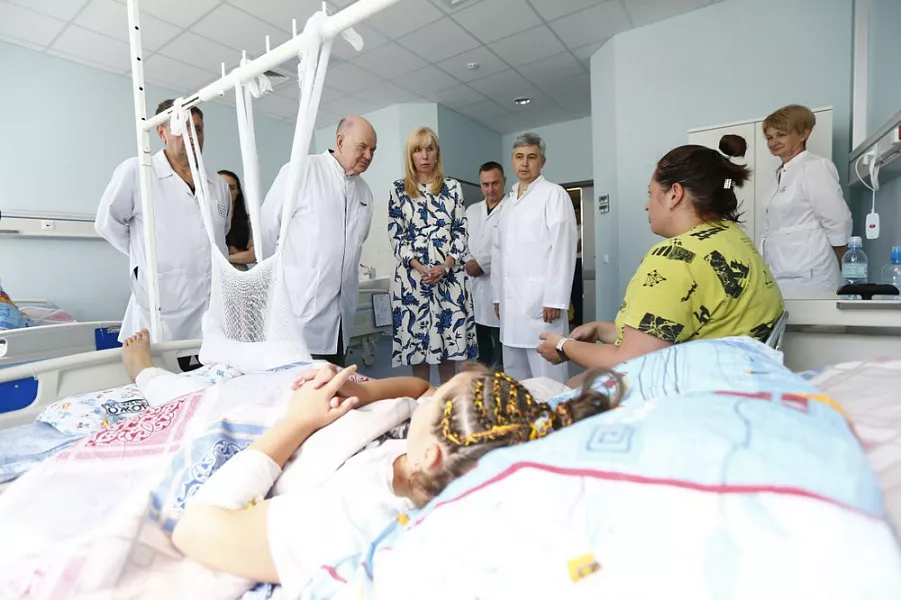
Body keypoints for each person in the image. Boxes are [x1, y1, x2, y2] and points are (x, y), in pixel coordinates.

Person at [137, 330, 618, 597]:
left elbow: (197, 530)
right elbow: (419, 388)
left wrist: (298, 422)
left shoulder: (353, 515)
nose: (428, 397)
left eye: (437, 401)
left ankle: (142, 371)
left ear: (431, 454)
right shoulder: (439, 451)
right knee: (280, 356)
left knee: (194, 391)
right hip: (334, 407)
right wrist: (362, 392)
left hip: (277, 429)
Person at [536, 142, 785, 372]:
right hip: (737, 378)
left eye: (650, 193)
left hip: (692, 389)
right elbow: (666, 332)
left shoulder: (677, 258)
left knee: (561, 387)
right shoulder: (734, 239)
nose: (647, 205)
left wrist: (563, 346)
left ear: (674, 194)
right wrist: (601, 329)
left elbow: (632, 362)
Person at [95, 98, 230, 369]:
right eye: (183, 127)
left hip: (211, 310)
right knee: (160, 381)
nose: (193, 135)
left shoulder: (217, 184)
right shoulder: (138, 171)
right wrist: (146, 257)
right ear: (162, 132)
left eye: (198, 129)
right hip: (160, 310)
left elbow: (219, 233)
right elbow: (107, 223)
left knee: (208, 382)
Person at [261, 116, 377, 367]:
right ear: (340, 141)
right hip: (299, 315)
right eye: (363, 147)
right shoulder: (300, 171)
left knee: (335, 383)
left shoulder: (365, 193)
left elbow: (356, 244)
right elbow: (267, 232)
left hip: (341, 319)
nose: (368, 156)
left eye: (373, 150)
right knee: (297, 385)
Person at [388, 127, 477, 383]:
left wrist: (445, 266)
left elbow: (460, 231)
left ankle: (447, 400)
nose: (425, 156)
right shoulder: (398, 190)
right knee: (419, 352)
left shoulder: (452, 188)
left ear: (437, 153)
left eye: (430, 148)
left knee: (449, 348)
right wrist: (419, 267)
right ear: (410, 155)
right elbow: (396, 235)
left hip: (449, 279)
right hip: (414, 282)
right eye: (418, 150)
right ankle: (422, 401)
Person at [491, 133, 577, 384]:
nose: (525, 163)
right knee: (515, 379)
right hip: (511, 307)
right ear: (512, 160)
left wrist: (555, 298)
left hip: (542, 305)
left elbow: (563, 247)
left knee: (548, 379)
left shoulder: (554, 195)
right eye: (519, 157)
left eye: (532, 157)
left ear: (543, 161)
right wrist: (497, 296)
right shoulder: (508, 203)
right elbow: (498, 252)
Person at [759, 104, 853, 296]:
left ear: (803, 134)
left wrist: (844, 263)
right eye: (769, 137)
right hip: (782, 269)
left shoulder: (814, 167)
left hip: (812, 273)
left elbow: (838, 220)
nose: (774, 142)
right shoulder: (780, 174)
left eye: (781, 135)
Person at [464, 161, 507, 369]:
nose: (490, 189)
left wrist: (483, 264)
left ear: (504, 181)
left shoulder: (512, 209)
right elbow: (461, 241)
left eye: (495, 183)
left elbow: (510, 247)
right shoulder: (471, 211)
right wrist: (469, 262)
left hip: (500, 289)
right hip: (474, 287)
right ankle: (483, 378)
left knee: (502, 344)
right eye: (485, 184)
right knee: (480, 344)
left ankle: (502, 377)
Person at [219, 170, 256, 271]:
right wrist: (238, 256)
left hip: (238, 275)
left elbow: (253, 255)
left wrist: (222, 258)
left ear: (238, 191)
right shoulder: (200, 218)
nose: (226, 193)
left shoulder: (248, 221)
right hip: (208, 275)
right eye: (221, 188)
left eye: (230, 188)